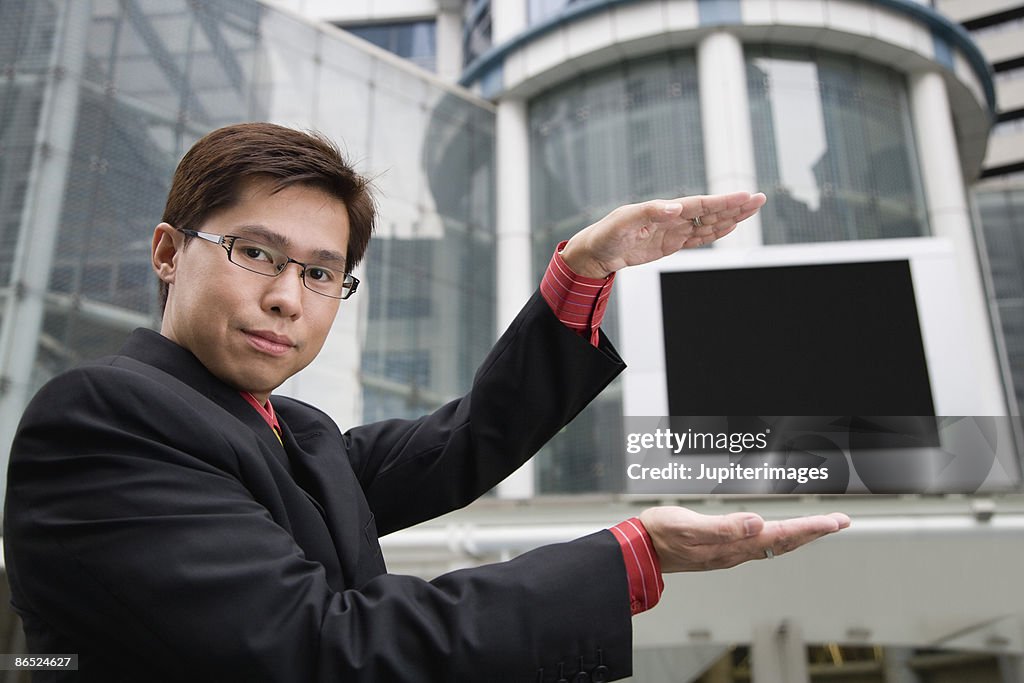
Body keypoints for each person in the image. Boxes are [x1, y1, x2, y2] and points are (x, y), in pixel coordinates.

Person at [3, 122, 849, 682]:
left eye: (322, 272)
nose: (289, 297)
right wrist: (631, 552)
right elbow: (321, 649)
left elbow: (465, 441)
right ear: (166, 251)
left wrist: (584, 270)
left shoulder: (292, 432)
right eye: (257, 252)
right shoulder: (105, 419)